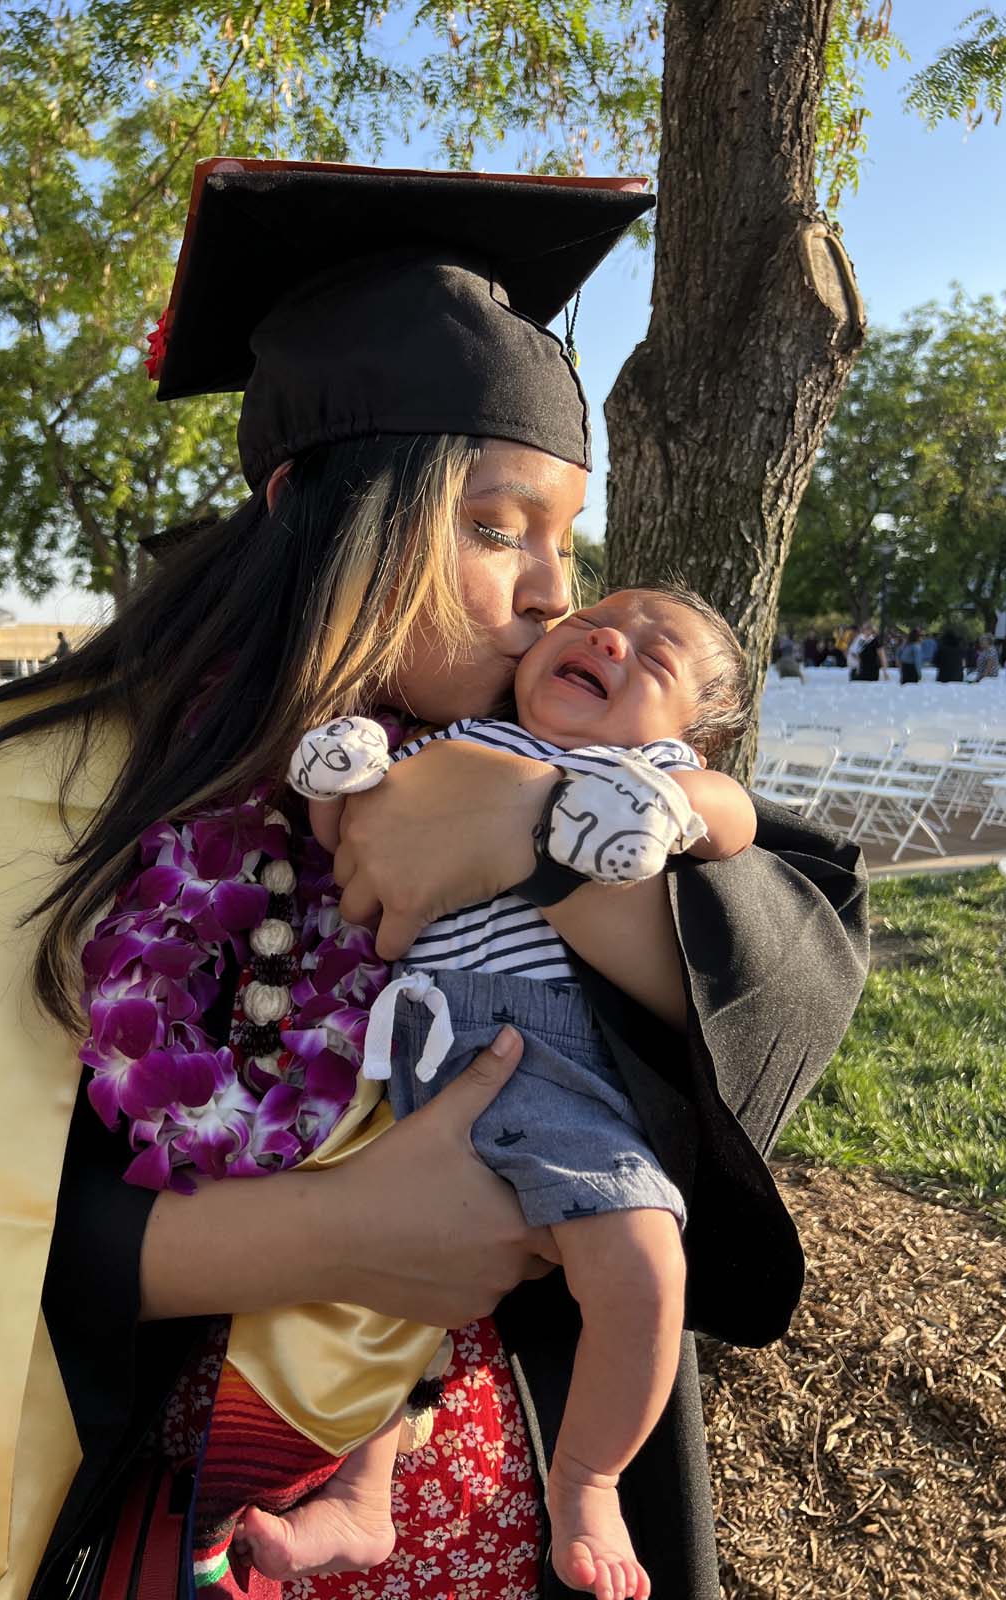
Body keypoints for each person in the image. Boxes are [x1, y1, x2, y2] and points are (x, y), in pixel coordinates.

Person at [0, 161, 868, 1600]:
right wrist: (335, 1236)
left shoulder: (539, 756)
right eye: (495, 525)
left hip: (515, 1521)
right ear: (315, 504)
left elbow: (791, 954)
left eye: (565, 544)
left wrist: (526, 822)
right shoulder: (55, 786)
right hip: (186, 1518)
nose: (549, 596)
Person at [227, 585, 753, 1599]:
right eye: (601, 618)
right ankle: (362, 1494)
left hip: (549, 1067)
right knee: (377, 1284)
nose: (609, 635)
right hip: (408, 1051)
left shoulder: (643, 773)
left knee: (644, 1262)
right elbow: (354, 847)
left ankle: (590, 1476)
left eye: (656, 654)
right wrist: (340, 782)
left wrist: (675, 812)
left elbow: (733, 816)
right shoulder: (454, 742)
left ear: (694, 730)